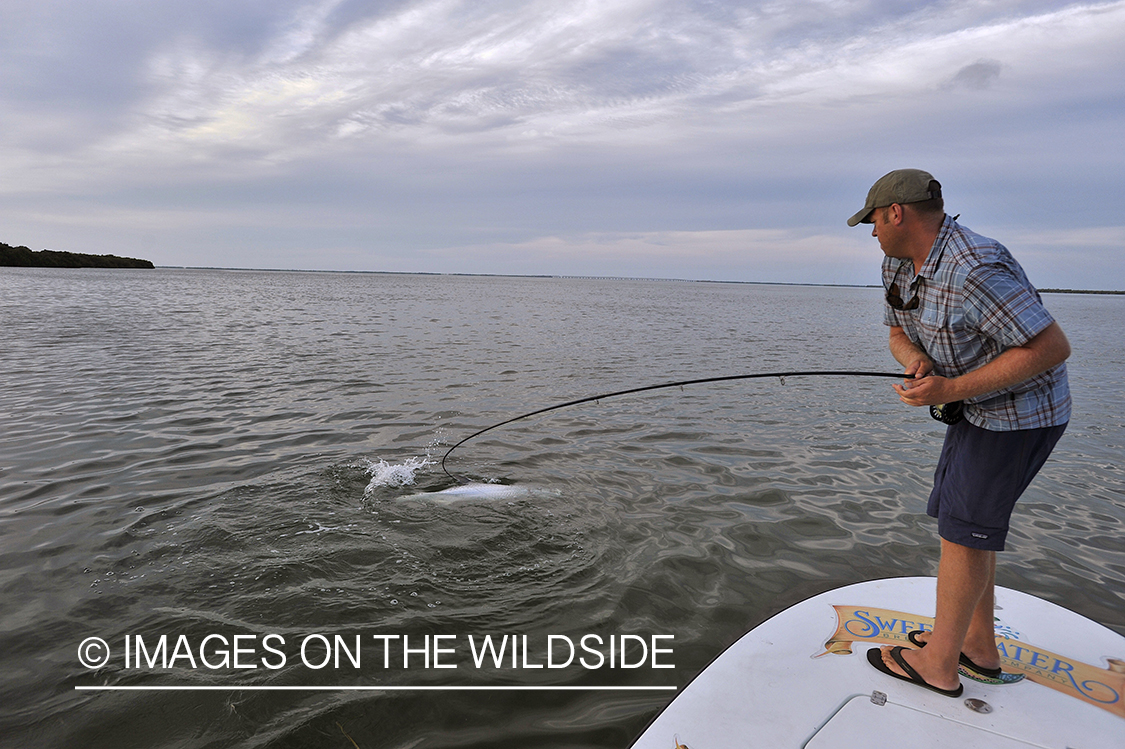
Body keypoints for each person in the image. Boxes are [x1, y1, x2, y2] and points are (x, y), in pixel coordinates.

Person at [848, 169, 1071, 697]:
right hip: (974, 410)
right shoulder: (898, 263)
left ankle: (939, 666)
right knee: (964, 525)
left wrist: (951, 388)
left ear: (896, 213)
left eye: (874, 220)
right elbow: (897, 331)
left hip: (1019, 416)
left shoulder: (975, 268)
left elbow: (1050, 347)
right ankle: (978, 647)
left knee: (965, 532)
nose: (872, 231)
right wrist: (917, 360)